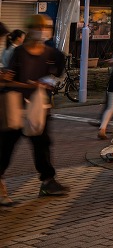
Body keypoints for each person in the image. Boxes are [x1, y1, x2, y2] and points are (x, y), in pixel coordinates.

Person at [0, 15, 67, 204]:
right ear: (30, 28)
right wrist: (27, 85)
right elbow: (8, 79)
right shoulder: (19, 52)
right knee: (6, 146)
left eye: (47, 27)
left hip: (39, 107)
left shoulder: (52, 54)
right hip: (16, 106)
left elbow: (57, 76)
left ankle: (48, 181)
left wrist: (49, 83)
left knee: (42, 144)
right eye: (40, 26)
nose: (44, 30)